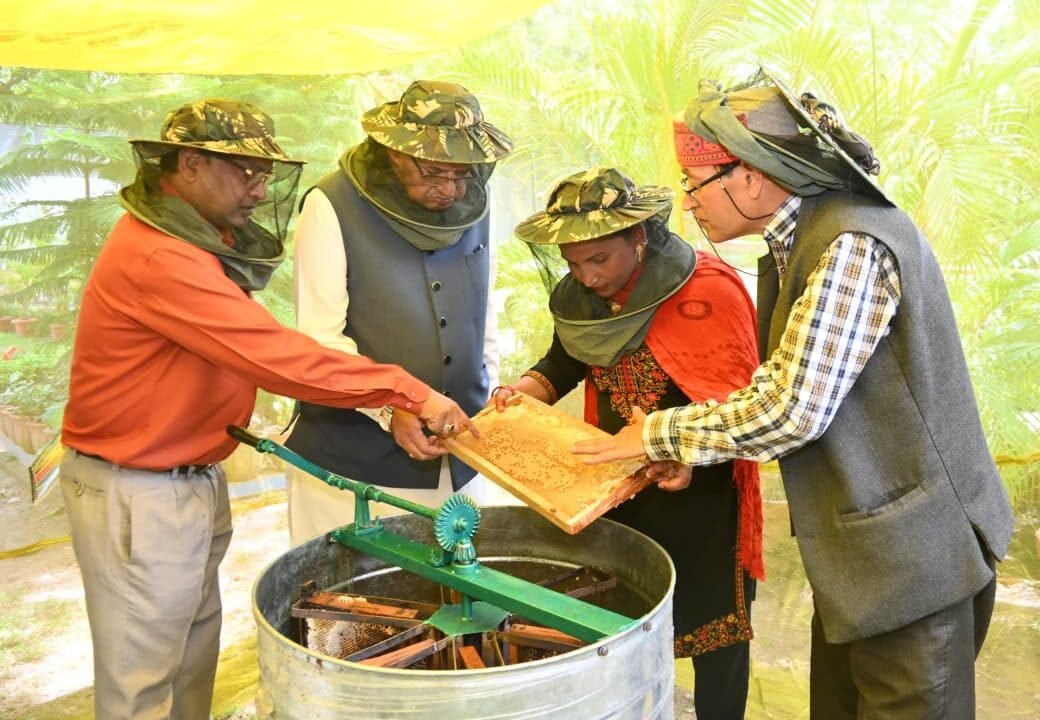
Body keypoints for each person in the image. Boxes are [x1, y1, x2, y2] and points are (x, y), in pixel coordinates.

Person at [572, 69, 1016, 719]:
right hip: (860, 565)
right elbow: (783, 389)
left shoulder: (852, 243)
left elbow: (791, 407)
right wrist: (684, 449)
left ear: (750, 177)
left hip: (916, 564)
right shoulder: (801, 243)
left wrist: (656, 434)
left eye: (696, 183)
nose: (689, 204)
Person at [59, 98, 474, 720]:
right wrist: (406, 391)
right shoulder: (159, 257)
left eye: (264, 175)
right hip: (139, 490)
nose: (258, 190)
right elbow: (275, 356)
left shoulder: (186, 246)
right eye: (245, 172)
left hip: (183, 480)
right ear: (189, 165)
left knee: (190, 654)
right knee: (143, 678)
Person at [493, 166, 764, 720]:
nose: (587, 277)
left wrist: (681, 457)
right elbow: (562, 364)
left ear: (638, 237)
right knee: (624, 631)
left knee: (716, 638)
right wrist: (518, 395)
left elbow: (742, 407)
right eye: (572, 264)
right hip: (617, 491)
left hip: (703, 495)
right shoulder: (581, 300)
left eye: (599, 259)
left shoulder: (708, 291)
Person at [285, 80, 518, 545]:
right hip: (354, 468)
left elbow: (482, 313)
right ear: (395, 153)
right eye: (433, 172)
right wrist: (389, 408)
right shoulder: (330, 205)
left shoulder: (475, 204)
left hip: (461, 460)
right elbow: (320, 338)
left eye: (462, 174)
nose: (449, 189)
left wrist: (487, 395)